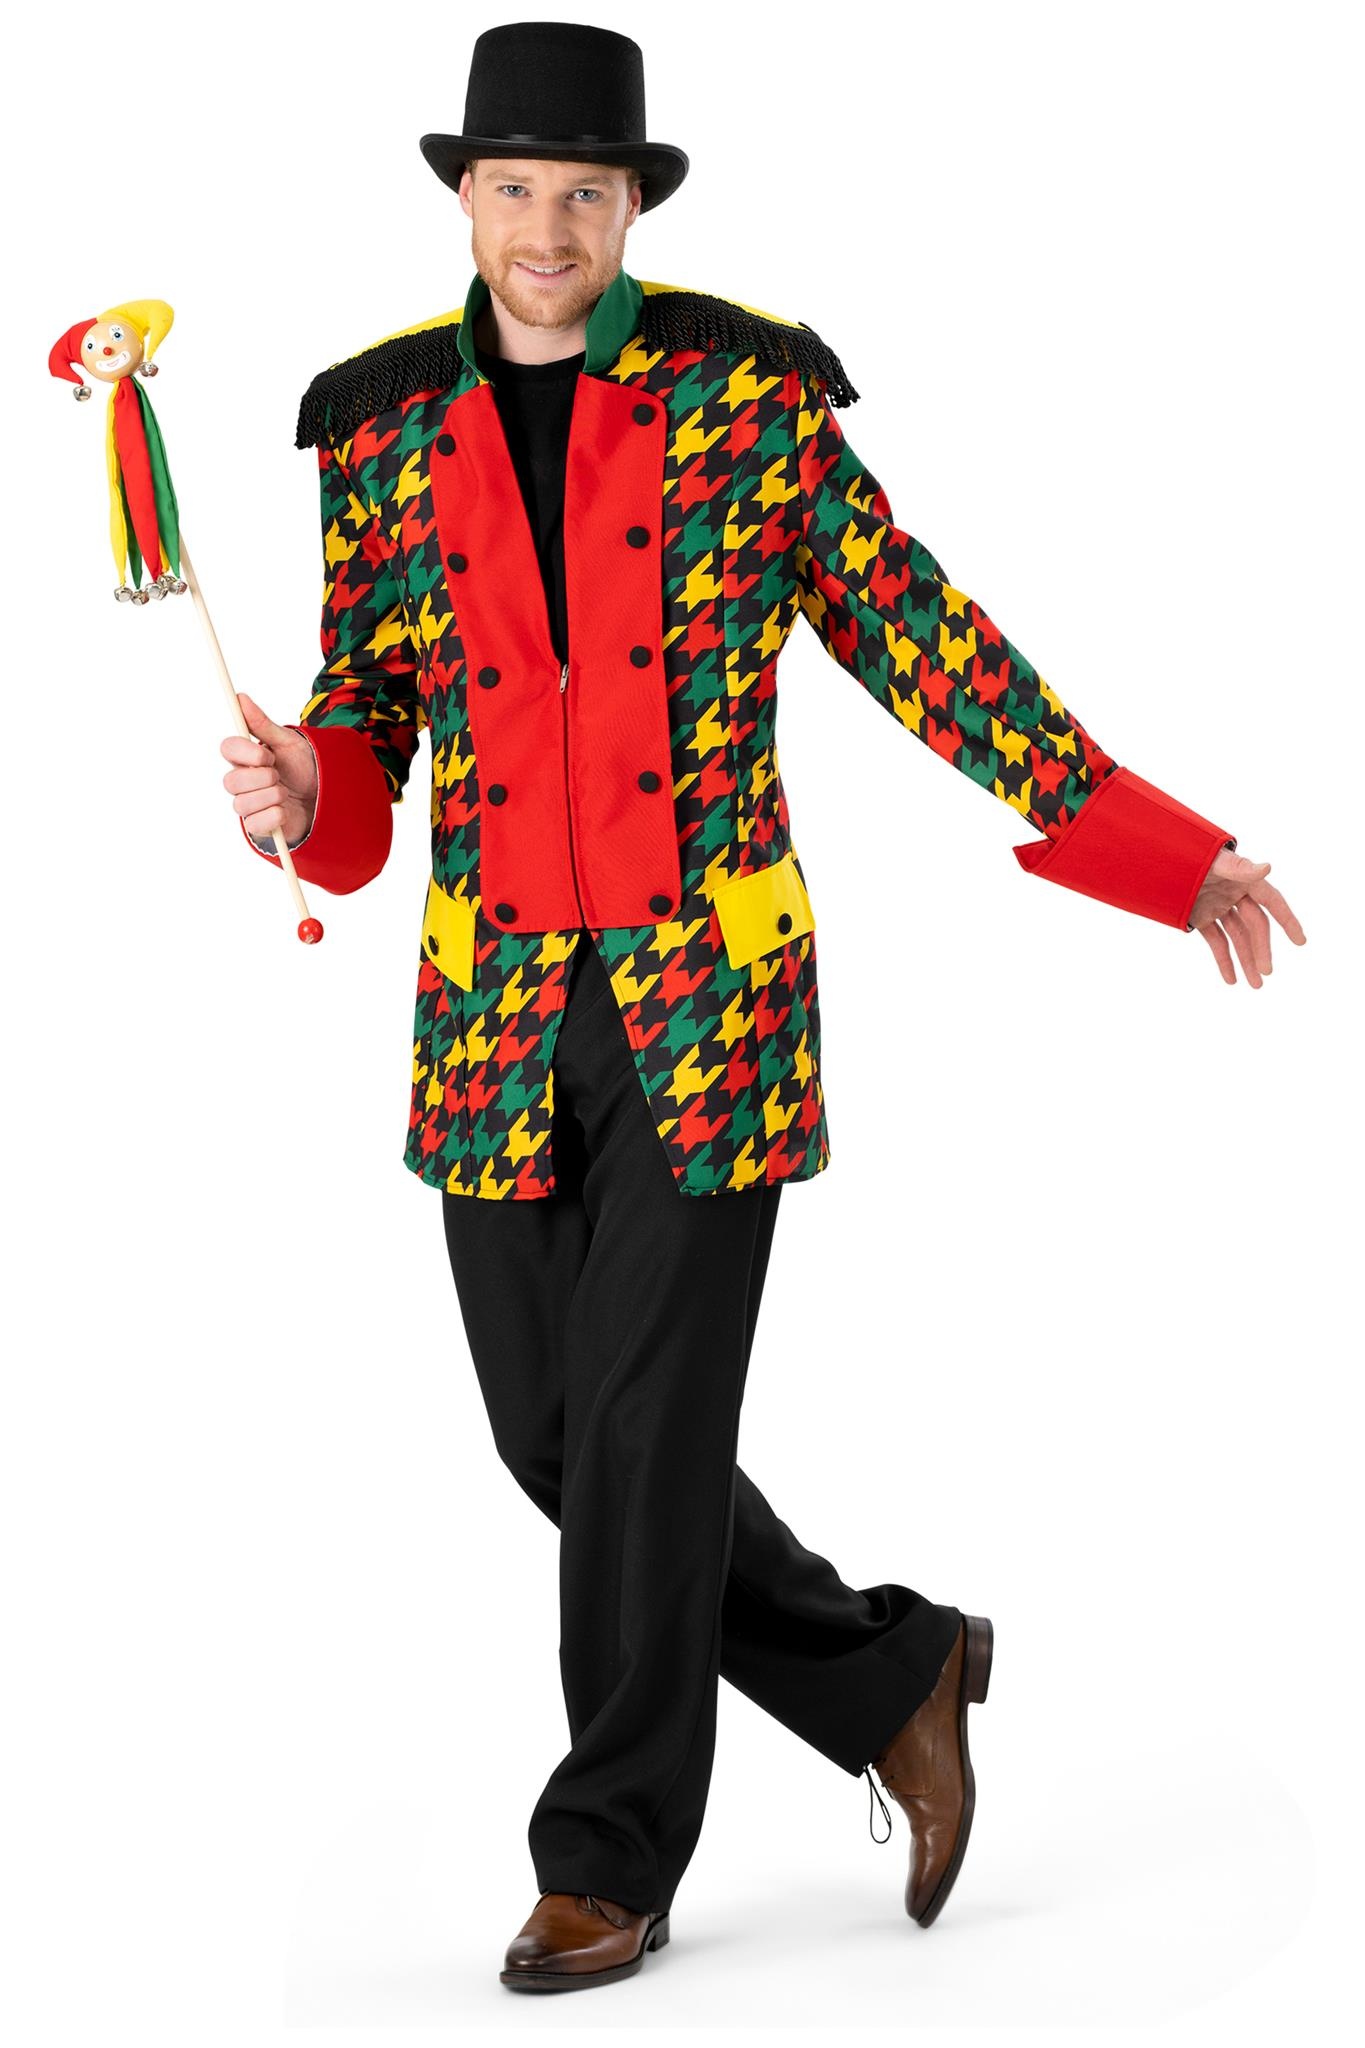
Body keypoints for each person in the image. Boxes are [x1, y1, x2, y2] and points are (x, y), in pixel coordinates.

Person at [220, 21, 1304, 1995]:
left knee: (643, 1428)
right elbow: (369, 697)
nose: (548, 229)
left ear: (632, 206)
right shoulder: (377, 428)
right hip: (488, 1010)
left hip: (706, 998)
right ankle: (894, 1669)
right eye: (514, 188)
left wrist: (1162, 854)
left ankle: (603, 1857)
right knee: (556, 1434)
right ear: (463, 199)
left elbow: (922, 640)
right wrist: (313, 781)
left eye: (585, 191)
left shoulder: (747, 398)